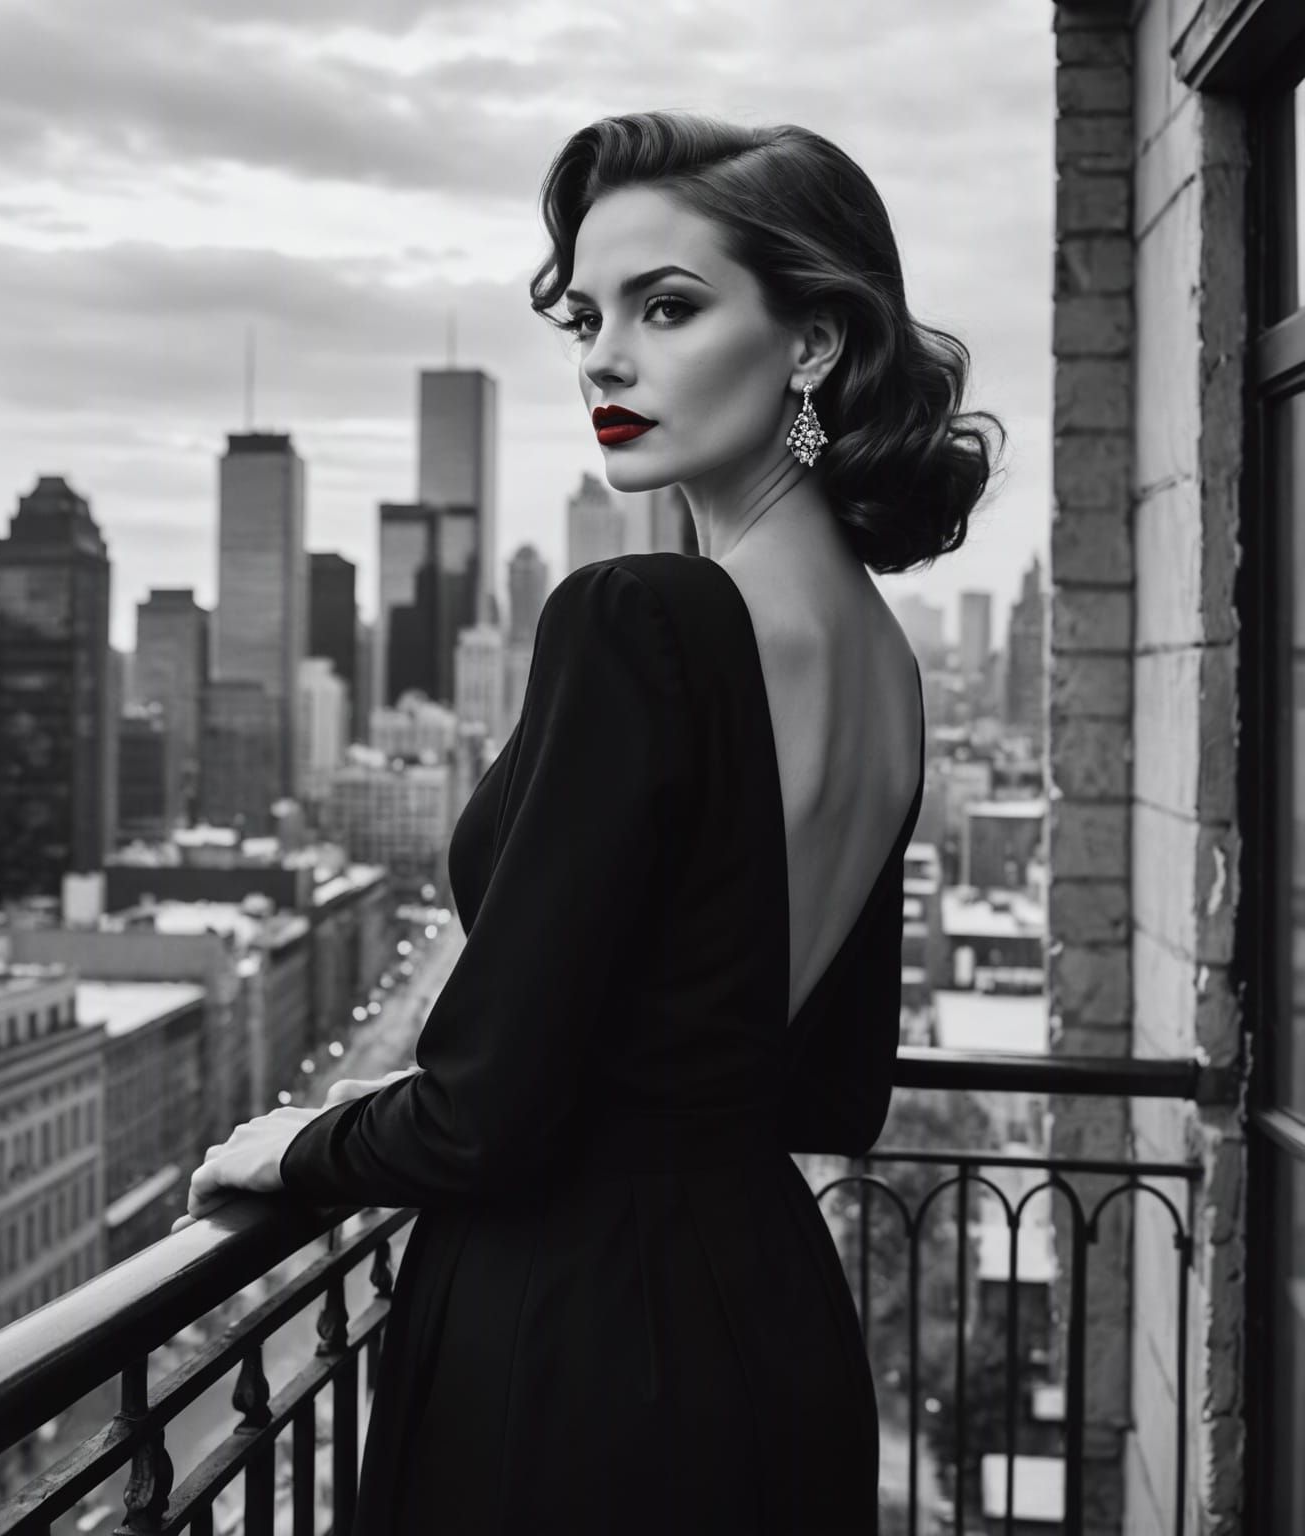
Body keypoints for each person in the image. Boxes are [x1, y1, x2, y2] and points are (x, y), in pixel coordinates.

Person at [176, 109, 1004, 1533]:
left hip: (576, 1351)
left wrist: (298, 1146)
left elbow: (483, 1114)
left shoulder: (642, 616)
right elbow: (834, 1092)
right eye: (585, 317)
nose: (604, 360)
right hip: (771, 1324)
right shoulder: (887, 660)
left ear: (812, 341)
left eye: (666, 308)